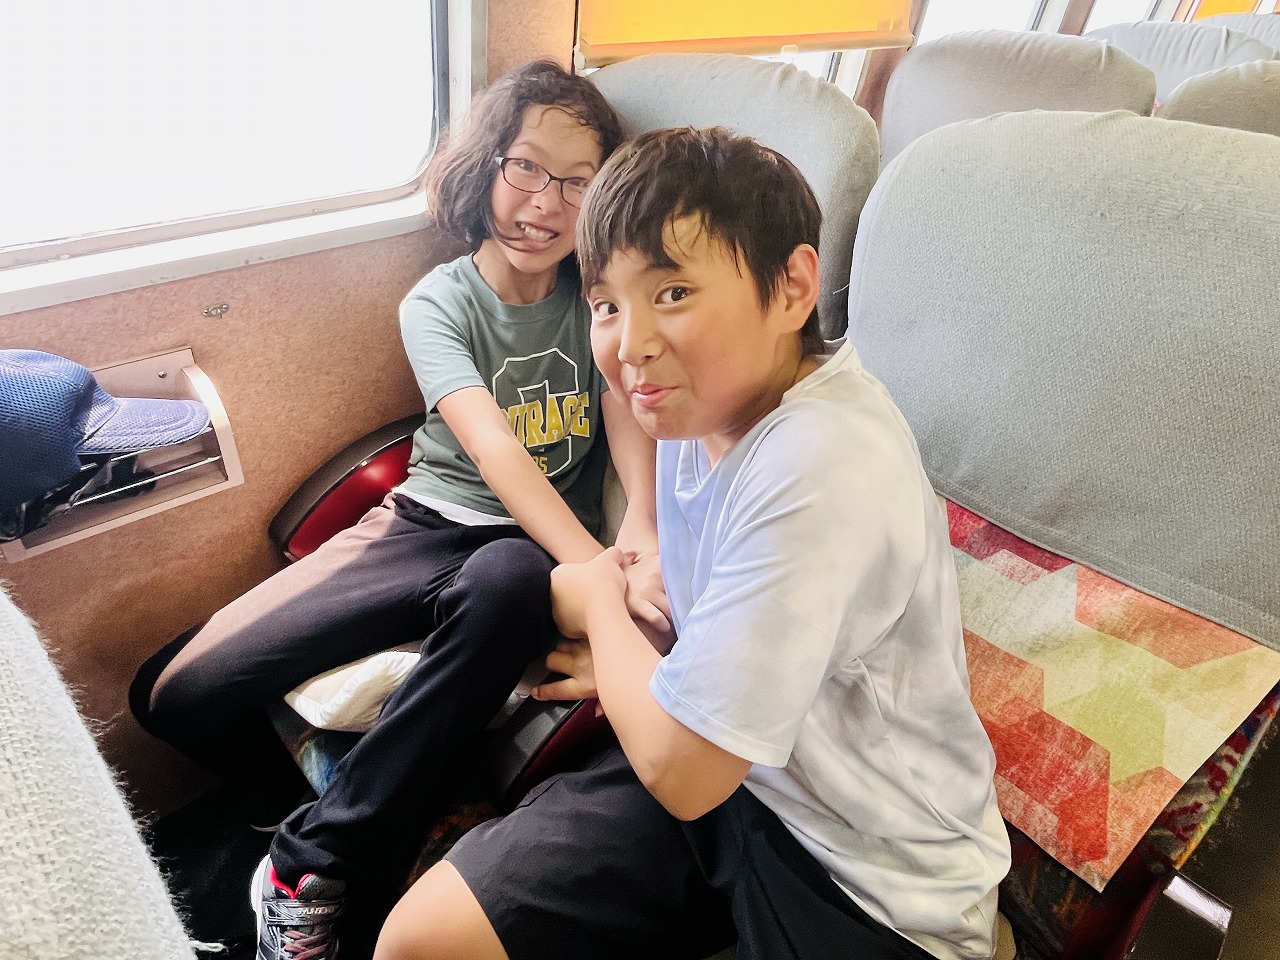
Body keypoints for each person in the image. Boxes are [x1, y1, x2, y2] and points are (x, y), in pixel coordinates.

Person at [374, 127, 1012, 960]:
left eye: (673, 291)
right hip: (744, 782)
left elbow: (682, 774)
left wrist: (600, 603)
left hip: (872, 879)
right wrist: (649, 664)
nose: (630, 344)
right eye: (607, 304)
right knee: (419, 940)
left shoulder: (822, 463)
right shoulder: (694, 408)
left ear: (793, 288)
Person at [128, 60, 664, 960]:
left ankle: (316, 866)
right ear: (486, 167)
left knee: (507, 579)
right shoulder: (438, 301)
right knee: (171, 695)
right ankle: (365, 813)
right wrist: (594, 566)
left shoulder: (593, 296)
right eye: (527, 168)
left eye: (578, 183)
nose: (545, 203)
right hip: (425, 521)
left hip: (525, 550)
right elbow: (492, 451)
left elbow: (623, 410)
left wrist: (634, 535)